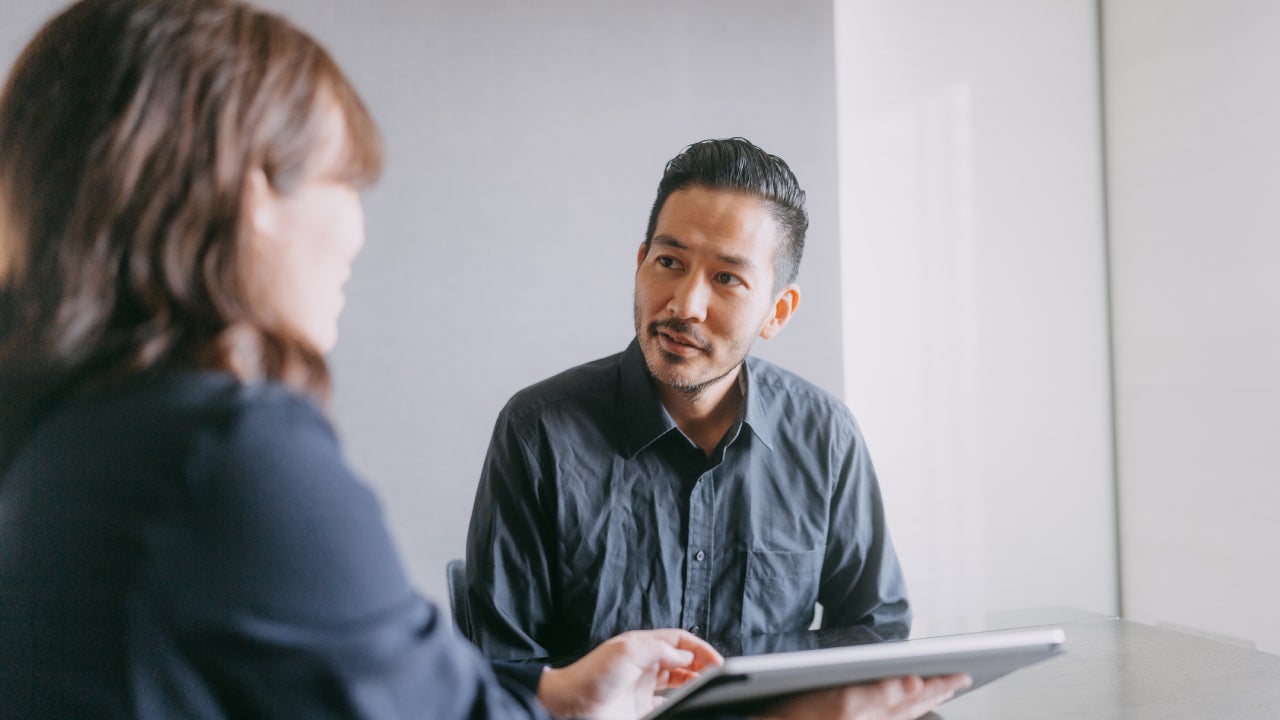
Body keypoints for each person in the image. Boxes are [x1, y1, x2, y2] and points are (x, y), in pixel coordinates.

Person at [0, 1, 965, 717]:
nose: (356, 233)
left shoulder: (63, 433)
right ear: (253, 196)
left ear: (780, 307)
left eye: (729, 278)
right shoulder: (232, 458)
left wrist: (558, 701)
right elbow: (455, 695)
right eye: (345, 181)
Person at [465, 138, 911, 662]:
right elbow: (500, 667)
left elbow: (873, 631)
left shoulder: (825, 435)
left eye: (727, 278)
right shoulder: (538, 430)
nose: (685, 304)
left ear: (778, 311)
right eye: (669, 261)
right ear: (640, 262)